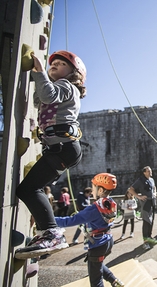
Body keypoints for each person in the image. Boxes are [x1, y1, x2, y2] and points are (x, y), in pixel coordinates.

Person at [15, 50, 86, 259]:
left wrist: (38, 71)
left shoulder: (66, 86)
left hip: (64, 148)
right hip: (62, 149)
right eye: (52, 63)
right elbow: (40, 98)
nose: (54, 65)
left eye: (61, 64)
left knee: (29, 188)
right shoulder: (58, 87)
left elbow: (47, 95)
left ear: (74, 73)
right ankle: (47, 233)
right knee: (29, 188)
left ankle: (51, 233)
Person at [55, 173, 124, 287]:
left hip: (97, 245)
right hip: (108, 241)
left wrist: (48, 219)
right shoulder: (110, 203)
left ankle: (114, 281)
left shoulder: (94, 209)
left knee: (96, 281)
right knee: (97, 264)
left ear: (100, 190)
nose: (92, 192)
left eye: (93, 188)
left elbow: (69, 221)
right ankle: (115, 281)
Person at [127, 166, 157, 251]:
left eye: (150, 171)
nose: (150, 172)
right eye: (148, 171)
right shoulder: (140, 180)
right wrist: (139, 197)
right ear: (144, 172)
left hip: (152, 201)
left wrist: (154, 193)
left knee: (151, 220)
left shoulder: (152, 179)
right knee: (146, 221)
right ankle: (145, 242)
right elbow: (131, 189)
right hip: (146, 202)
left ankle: (150, 237)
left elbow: (154, 187)